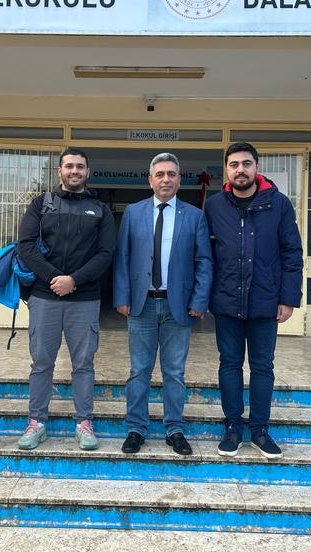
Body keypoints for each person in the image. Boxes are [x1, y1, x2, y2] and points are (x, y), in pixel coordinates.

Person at [204, 142, 303, 459]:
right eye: (234, 165)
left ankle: (260, 430)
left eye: (246, 164)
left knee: (262, 366)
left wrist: (288, 298)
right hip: (226, 301)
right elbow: (205, 255)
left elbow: (292, 253)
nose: (240, 170)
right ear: (227, 170)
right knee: (229, 364)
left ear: (256, 167)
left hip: (265, 301)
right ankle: (233, 427)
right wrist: (204, 296)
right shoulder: (214, 206)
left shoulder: (279, 204)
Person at [16, 148, 116, 451]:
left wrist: (74, 280)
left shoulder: (100, 209)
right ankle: (36, 422)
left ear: (87, 172)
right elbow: (25, 245)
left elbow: (106, 253)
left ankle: (84, 423)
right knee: (41, 362)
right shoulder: (41, 204)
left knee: (83, 363)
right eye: (69, 166)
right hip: (44, 296)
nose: (74, 171)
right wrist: (54, 278)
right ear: (59, 171)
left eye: (80, 166)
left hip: (84, 298)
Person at [113, 153, 212, 456]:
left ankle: (175, 429)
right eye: (160, 174)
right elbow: (122, 257)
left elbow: (204, 261)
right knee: (139, 371)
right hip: (141, 305)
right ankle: (136, 428)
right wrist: (122, 297)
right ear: (150, 180)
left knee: (174, 372)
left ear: (179, 179)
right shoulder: (133, 212)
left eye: (171, 174)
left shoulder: (194, 216)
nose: (165, 179)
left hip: (177, 307)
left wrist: (199, 300)